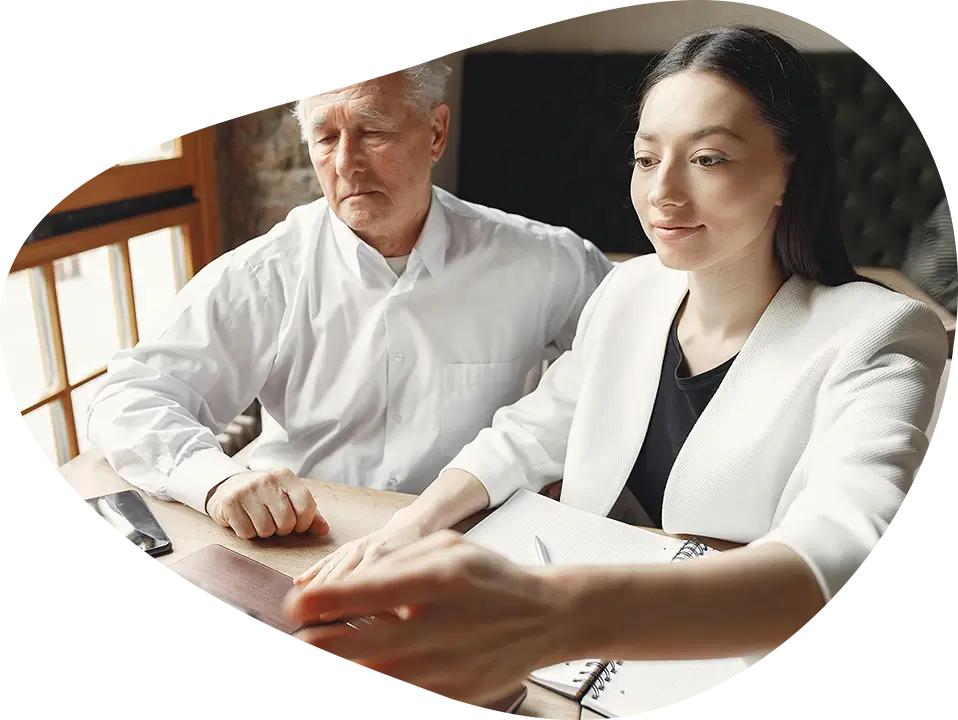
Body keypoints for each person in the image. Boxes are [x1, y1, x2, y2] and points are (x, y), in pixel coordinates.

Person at [285, 26, 949, 707]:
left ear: (789, 170)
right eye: (646, 158)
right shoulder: (631, 290)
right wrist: (408, 527)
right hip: (569, 666)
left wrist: (557, 612)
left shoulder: (878, 334)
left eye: (709, 158)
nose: (664, 192)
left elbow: (835, 557)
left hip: (734, 674)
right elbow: (531, 431)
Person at [86, 57, 613, 541]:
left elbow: (633, 357)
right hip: (304, 541)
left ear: (435, 132)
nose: (345, 163)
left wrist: (571, 463)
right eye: (324, 137)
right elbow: (129, 397)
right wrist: (215, 480)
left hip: (470, 544)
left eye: (373, 131)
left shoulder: (543, 260)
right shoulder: (265, 273)